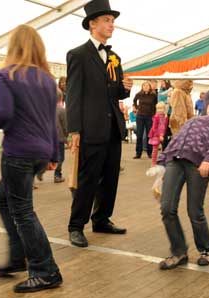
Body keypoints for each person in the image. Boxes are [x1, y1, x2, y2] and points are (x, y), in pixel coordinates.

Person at [0, 24, 62, 293]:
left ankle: (46, 271)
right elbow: (51, 120)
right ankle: (18, 256)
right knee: (4, 198)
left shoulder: (4, 75)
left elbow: (3, 114)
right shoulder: (47, 79)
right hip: (40, 152)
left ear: (13, 46)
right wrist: (54, 153)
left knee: (22, 211)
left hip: (18, 151)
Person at [66, 0, 133, 248]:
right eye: (107, 20)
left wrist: (125, 89)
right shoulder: (77, 55)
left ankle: (102, 219)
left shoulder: (114, 57)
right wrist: (74, 129)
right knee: (88, 179)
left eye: (112, 20)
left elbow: (114, 92)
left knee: (110, 177)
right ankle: (76, 226)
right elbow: (73, 94)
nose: (111, 24)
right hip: (90, 128)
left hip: (113, 127)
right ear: (92, 24)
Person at [155, 93, 209, 269]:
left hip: (198, 165)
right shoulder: (193, 120)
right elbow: (175, 140)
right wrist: (161, 162)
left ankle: (206, 249)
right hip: (175, 161)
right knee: (166, 208)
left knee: (194, 211)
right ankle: (179, 251)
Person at [133, 81, 157, 158]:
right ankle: (138, 153)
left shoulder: (153, 95)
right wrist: (137, 108)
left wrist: (154, 114)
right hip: (140, 116)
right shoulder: (139, 94)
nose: (145, 87)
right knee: (139, 135)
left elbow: (156, 105)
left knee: (149, 135)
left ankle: (149, 153)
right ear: (142, 87)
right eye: (144, 86)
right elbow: (134, 101)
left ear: (149, 87)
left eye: (147, 86)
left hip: (149, 117)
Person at [55, 87, 68, 183]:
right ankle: (57, 175)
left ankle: (40, 171)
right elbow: (65, 125)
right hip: (59, 138)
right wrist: (68, 137)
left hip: (50, 137)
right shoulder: (62, 110)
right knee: (61, 157)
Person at [148, 102, 168, 166]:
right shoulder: (156, 117)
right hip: (156, 135)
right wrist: (159, 135)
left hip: (163, 134)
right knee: (155, 149)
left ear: (164, 109)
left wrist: (163, 134)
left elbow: (166, 126)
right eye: (158, 108)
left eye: (161, 108)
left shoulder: (166, 117)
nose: (160, 110)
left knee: (165, 148)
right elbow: (154, 128)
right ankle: (153, 163)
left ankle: (163, 161)